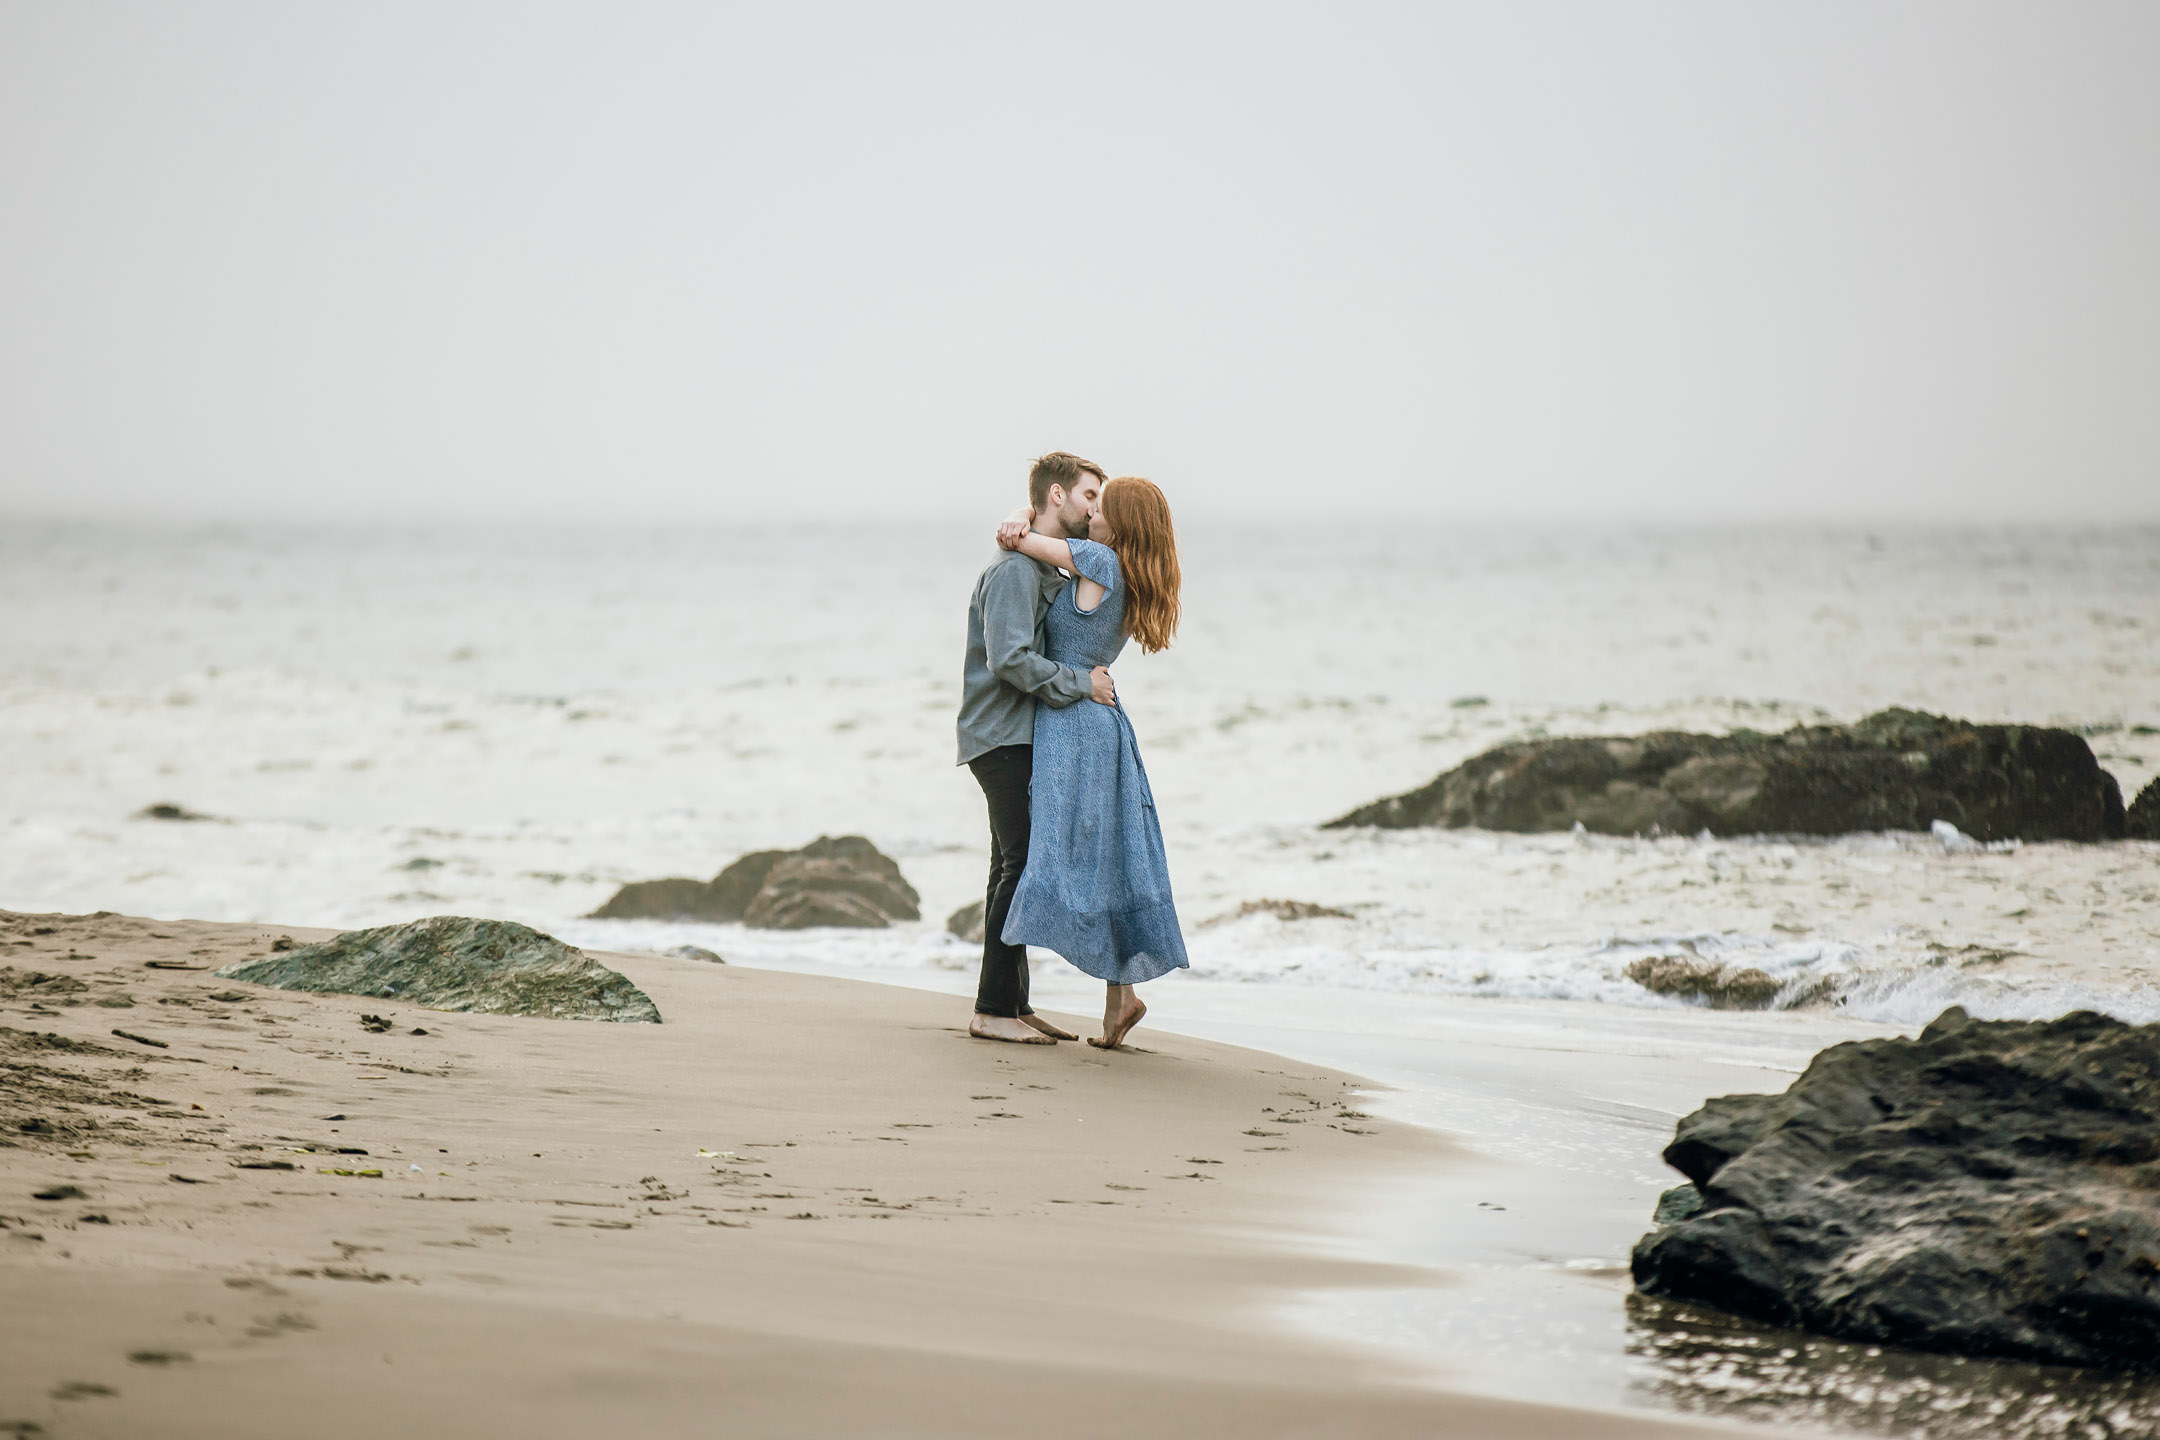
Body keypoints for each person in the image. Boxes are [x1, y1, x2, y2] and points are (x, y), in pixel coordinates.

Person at [994, 475, 1188, 1049]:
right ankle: (1119, 1000)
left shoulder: (1099, 558)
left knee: (1058, 849)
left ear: (1119, 522)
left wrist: (1015, 519)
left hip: (1073, 720)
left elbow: (1024, 542)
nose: (1091, 512)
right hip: (1101, 720)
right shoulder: (1129, 569)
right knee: (1110, 855)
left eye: (1101, 506)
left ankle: (1004, 994)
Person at [955, 452, 1117, 1045]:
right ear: (1057, 495)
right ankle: (992, 1009)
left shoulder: (1041, 566)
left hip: (1017, 735)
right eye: (1090, 495)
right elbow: (1010, 660)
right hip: (998, 735)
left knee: (1010, 866)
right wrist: (1083, 684)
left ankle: (1011, 1004)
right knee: (1020, 867)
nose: (1096, 507)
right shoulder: (1015, 574)